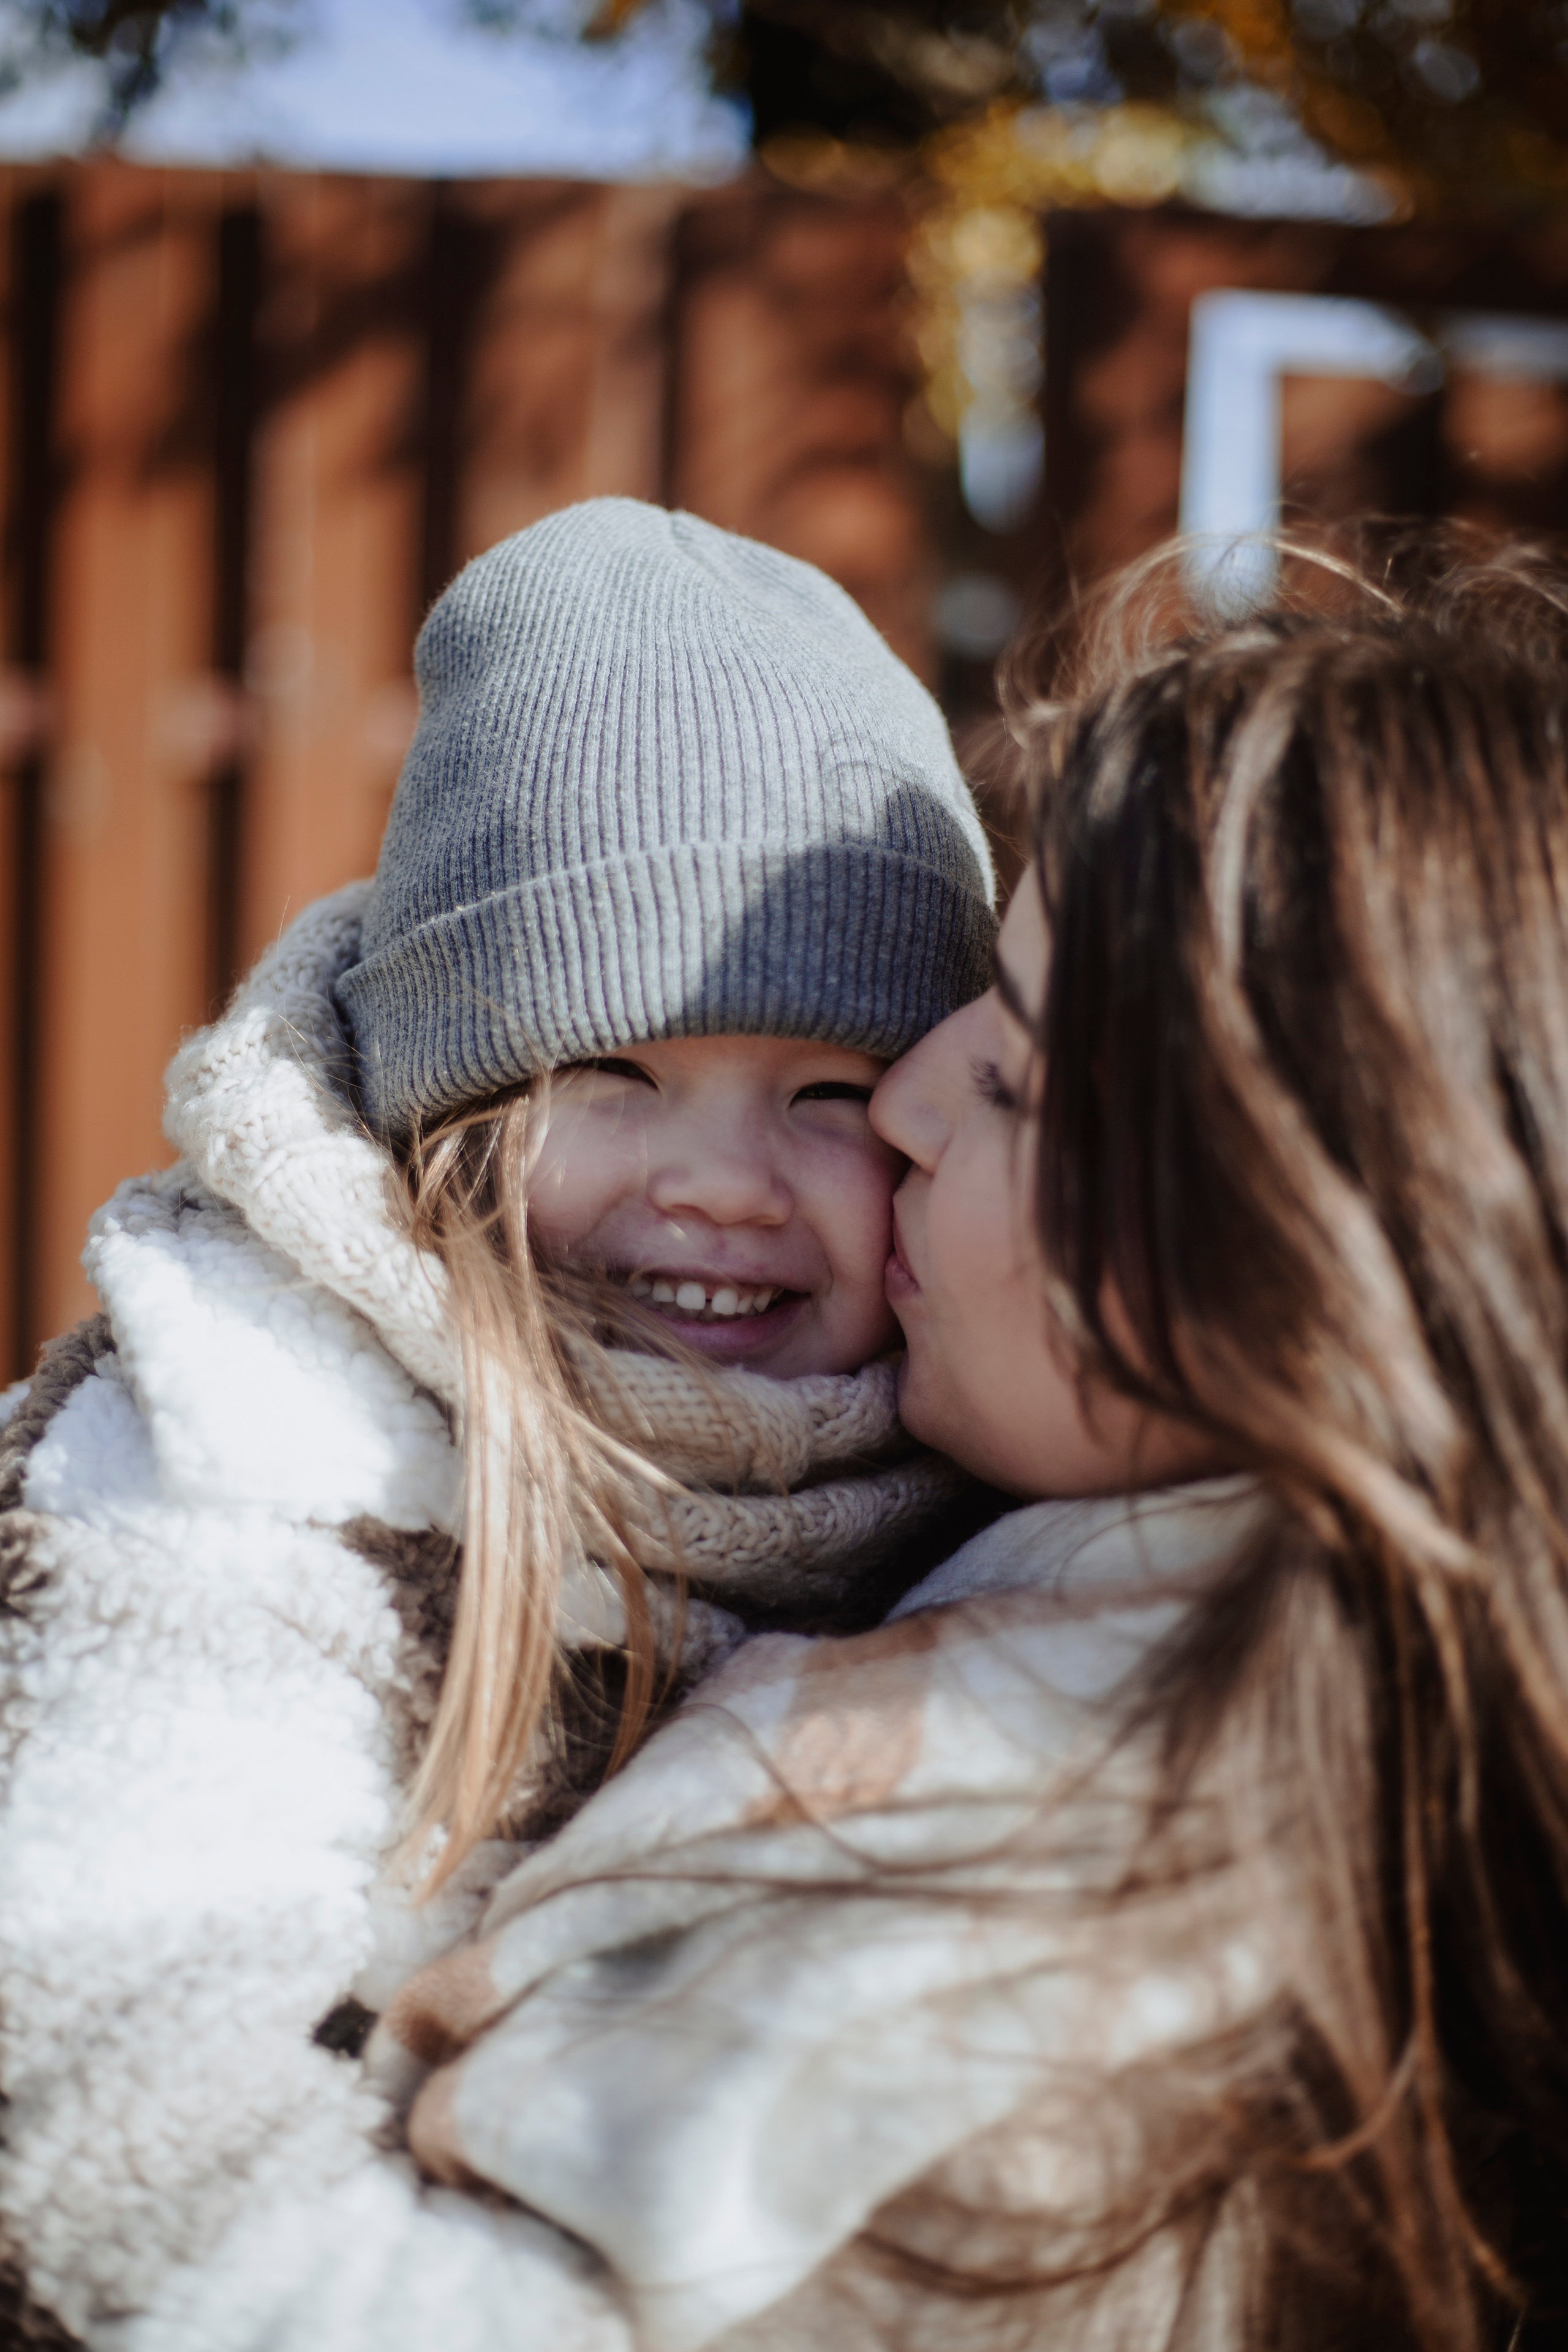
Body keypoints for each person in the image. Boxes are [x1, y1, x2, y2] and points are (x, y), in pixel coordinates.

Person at [119, 529, 1568, 2352]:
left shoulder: (1055, 1929)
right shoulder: (1043, 1573)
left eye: (1017, 1076)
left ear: (1296, 1239)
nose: (902, 1098)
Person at [0, 498, 997, 2348]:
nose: (716, 1183)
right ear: (444, 1119)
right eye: (608, 1074)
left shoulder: (970, 1481)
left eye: (828, 1091)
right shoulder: (258, 1464)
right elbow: (99, 2058)